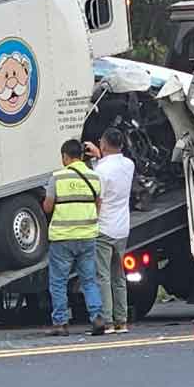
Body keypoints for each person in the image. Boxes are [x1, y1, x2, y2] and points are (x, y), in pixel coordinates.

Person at [42, 139, 105, 336]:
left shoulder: (57, 178)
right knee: (89, 280)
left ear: (65, 157)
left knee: (58, 282)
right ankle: (97, 318)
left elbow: (48, 207)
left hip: (62, 238)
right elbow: (98, 206)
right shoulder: (94, 177)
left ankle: (60, 323)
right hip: (87, 236)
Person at [85, 128, 135, 334]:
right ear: (122, 145)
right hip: (122, 228)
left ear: (104, 144)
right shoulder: (129, 165)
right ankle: (121, 321)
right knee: (119, 276)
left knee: (102, 276)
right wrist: (100, 157)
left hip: (104, 228)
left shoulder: (100, 172)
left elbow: (99, 198)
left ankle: (106, 320)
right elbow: (112, 169)